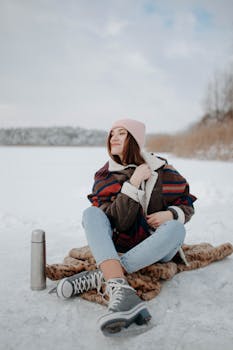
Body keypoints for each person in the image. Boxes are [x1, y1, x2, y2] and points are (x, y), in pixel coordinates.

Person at [55, 119, 197, 334]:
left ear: (135, 140)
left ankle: (103, 275)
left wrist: (170, 213)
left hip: (155, 246)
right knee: (91, 214)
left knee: (177, 229)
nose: (114, 138)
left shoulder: (162, 169)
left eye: (121, 133)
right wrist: (133, 184)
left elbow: (186, 202)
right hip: (119, 240)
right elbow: (116, 220)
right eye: (112, 134)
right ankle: (121, 286)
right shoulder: (105, 175)